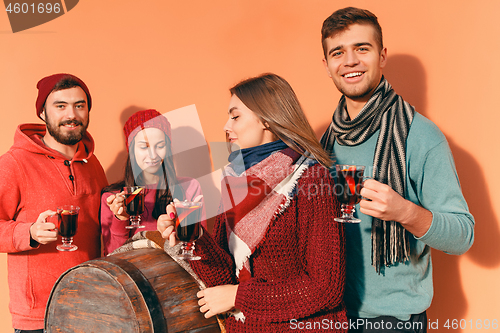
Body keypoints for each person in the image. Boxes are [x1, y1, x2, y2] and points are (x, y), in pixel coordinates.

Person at [319, 7, 474, 332]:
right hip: (329, 315)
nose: (350, 61)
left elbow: (463, 235)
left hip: (392, 322)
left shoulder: (421, 136)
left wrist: (405, 211)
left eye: (362, 48)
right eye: (338, 52)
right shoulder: (323, 141)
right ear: (327, 66)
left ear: (382, 55)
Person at [158, 73, 347, 332]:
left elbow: (325, 288)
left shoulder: (312, 180)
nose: (226, 126)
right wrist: (193, 235)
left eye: (235, 116)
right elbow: (223, 279)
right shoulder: (233, 181)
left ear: (267, 119)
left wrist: (238, 297)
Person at [0, 73, 108, 332]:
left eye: (79, 105)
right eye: (60, 106)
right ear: (42, 113)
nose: (71, 114)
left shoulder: (93, 164)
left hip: (93, 307)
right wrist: (28, 232)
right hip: (40, 317)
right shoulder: (14, 164)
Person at [101, 109, 204, 255]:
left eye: (160, 146)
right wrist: (120, 219)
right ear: (131, 150)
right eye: (144, 147)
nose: (153, 155)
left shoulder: (190, 188)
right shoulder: (112, 197)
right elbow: (112, 258)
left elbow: (201, 250)